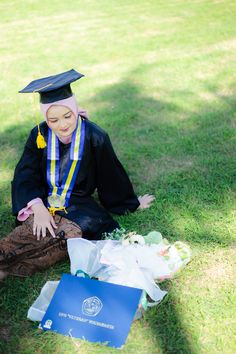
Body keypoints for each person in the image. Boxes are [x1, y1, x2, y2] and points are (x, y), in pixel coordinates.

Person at [0, 69, 154, 281]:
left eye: (67, 116)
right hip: (42, 198)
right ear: (45, 117)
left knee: (69, 236)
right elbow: (25, 173)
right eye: (53, 120)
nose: (62, 125)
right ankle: (4, 255)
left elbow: (110, 175)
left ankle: (10, 268)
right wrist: (38, 207)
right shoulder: (39, 135)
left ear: (75, 110)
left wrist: (130, 203)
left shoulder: (94, 136)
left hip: (78, 202)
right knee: (35, 229)